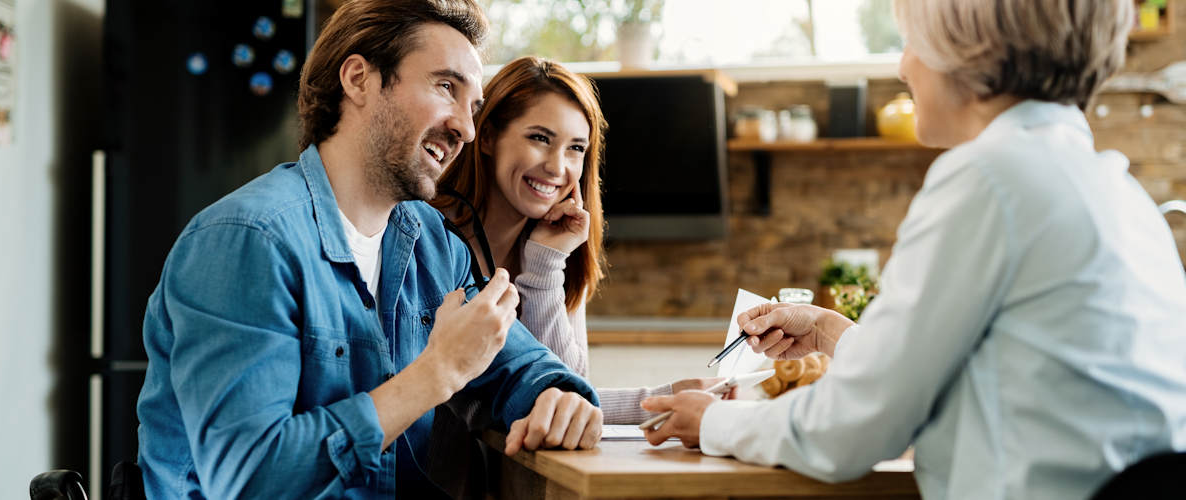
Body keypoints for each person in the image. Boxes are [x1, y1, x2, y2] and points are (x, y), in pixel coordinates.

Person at [641, 1, 1186, 498]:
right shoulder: (1115, 188)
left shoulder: (990, 178)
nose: (903, 68)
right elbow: (952, 373)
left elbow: (853, 429)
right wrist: (827, 331)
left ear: (968, 48)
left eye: (912, 43)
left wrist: (711, 422)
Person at [135, 1, 603, 497]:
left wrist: (559, 395)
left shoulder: (431, 242)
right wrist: (435, 372)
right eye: (446, 86)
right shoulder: (248, 239)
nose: (465, 128)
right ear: (359, 79)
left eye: (473, 107)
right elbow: (250, 479)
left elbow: (515, 361)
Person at [431, 56, 725, 425]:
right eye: (540, 138)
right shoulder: (429, 236)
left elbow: (567, 399)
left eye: (576, 148)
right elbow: (470, 406)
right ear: (487, 136)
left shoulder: (556, 253)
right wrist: (658, 401)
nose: (557, 167)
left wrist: (544, 265)